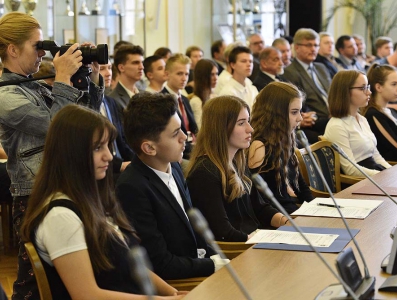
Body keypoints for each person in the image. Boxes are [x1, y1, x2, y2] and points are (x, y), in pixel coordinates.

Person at [19, 105, 184, 300]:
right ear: (71, 153)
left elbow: (131, 266)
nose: (109, 156)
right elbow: (86, 295)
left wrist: (172, 293)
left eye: (108, 146)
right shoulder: (60, 216)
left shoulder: (93, 199)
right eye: (98, 148)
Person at [0, 12, 103, 300]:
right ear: (12, 49)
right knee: (36, 282)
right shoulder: (6, 97)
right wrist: (62, 77)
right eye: (37, 45)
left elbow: (86, 124)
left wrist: (90, 77)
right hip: (34, 193)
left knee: (71, 274)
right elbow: (58, 128)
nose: (44, 52)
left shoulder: (33, 85)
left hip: (64, 185)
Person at [116, 92, 228, 280]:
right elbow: (161, 264)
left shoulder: (174, 167)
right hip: (179, 283)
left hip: (196, 269)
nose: (185, 137)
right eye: (175, 133)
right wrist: (214, 265)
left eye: (182, 129)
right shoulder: (132, 188)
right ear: (149, 148)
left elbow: (194, 231)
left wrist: (216, 257)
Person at [186, 95, 288, 242]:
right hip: (239, 250)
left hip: (253, 240)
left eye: (248, 121)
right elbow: (223, 232)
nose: (250, 129)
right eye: (241, 123)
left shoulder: (237, 162)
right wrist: (259, 239)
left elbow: (259, 208)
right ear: (221, 128)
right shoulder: (204, 172)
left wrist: (287, 222)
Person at [248, 82, 314, 214]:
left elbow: (300, 186)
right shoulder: (259, 147)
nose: (300, 118)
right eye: (294, 112)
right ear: (275, 113)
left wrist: (316, 208)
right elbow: (262, 201)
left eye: (300, 111)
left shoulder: (284, 138)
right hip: (281, 220)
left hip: (294, 212)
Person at [323, 70, 391, 177]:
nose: (369, 92)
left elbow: (376, 157)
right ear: (345, 91)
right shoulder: (337, 125)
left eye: (367, 87)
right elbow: (350, 169)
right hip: (360, 181)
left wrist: (391, 172)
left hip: (373, 173)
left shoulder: (362, 119)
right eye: (362, 88)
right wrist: (382, 176)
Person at [283, 28, 331, 144]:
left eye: (316, 45)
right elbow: (301, 105)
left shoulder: (321, 67)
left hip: (335, 115)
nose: (313, 49)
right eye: (309, 45)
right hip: (317, 121)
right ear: (297, 47)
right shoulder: (290, 72)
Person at [99, 59, 133, 179]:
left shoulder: (111, 102)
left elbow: (122, 141)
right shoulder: (84, 105)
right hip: (106, 169)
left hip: (121, 163)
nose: (108, 73)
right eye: (102, 68)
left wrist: (139, 160)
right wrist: (120, 165)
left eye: (109, 68)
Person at [162, 53, 198, 159]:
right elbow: (169, 137)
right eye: (179, 74)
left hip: (192, 149)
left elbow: (194, 129)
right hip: (178, 154)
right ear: (167, 74)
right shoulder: (161, 101)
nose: (184, 78)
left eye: (186, 74)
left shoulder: (185, 100)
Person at [362, 63, 397, 161]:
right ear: (378, 87)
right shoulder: (373, 114)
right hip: (392, 170)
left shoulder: (390, 110)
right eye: (394, 84)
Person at [219, 46, 258, 111]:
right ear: (232, 65)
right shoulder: (228, 93)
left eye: (251, 61)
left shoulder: (249, 83)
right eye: (243, 61)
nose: (249, 64)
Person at [109, 45, 144, 110]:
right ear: (121, 68)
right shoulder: (112, 99)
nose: (141, 67)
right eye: (136, 63)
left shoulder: (145, 94)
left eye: (142, 62)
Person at [189, 59, 218, 128]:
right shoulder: (196, 101)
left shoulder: (214, 95)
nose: (216, 78)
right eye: (212, 74)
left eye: (216, 74)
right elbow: (200, 128)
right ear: (202, 76)